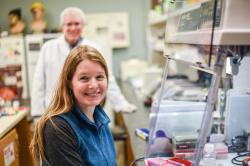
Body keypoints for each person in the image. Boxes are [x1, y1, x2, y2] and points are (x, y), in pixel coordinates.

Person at [31, 7, 136, 117]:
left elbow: (106, 78)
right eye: (69, 24)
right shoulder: (48, 48)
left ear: (83, 26)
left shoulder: (94, 48)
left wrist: (121, 104)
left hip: (85, 111)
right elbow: (38, 83)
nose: (73, 28)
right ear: (62, 27)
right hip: (55, 110)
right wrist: (38, 114)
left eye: (77, 24)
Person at [30, 45, 116, 166]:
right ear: (69, 83)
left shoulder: (101, 120)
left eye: (99, 77)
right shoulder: (58, 128)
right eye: (84, 78)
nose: (94, 85)